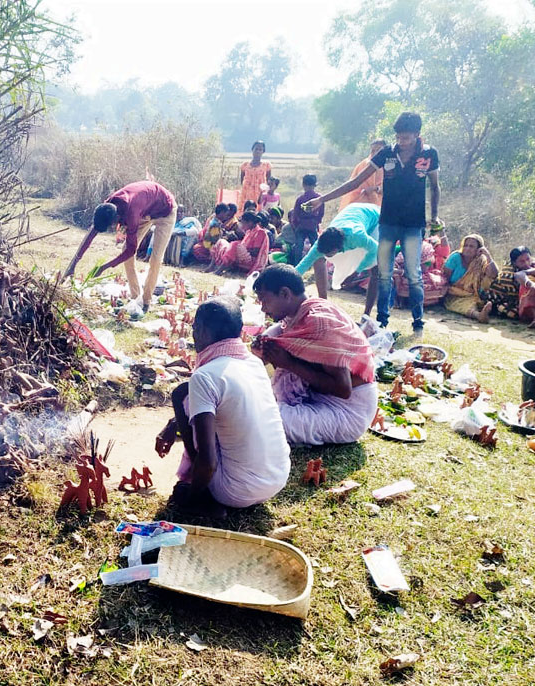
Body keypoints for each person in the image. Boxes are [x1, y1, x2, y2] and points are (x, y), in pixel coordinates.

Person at [304, 112, 441, 332]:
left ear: (417, 134)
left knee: (414, 274)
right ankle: (382, 320)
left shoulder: (429, 154)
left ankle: (418, 322)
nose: (401, 141)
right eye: (398, 136)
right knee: (383, 273)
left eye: (406, 137)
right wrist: (322, 199)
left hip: (414, 224)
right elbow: (356, 182)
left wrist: (433, 216)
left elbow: (434, 186)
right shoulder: (387, 154)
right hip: (387, 221)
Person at [154, 297, 290, 516]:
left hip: (235, 491)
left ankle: (205, 498)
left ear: (205, 332)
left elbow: (207, 462)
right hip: (277, 478)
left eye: (195, 327)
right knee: (182, 392)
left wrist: (191, 497)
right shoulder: (252, 362)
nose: (193, 333)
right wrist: (173, 424)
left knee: (184, 397)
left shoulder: (205, 376)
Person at [252, 266, 378, 446]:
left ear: (285, 293)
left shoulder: (320, 322)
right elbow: (280, 338)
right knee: (273, 335)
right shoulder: (298, 314)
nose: (263, 308)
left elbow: (343, 389)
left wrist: (288, 363)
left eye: (264, 300)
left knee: (260, 420)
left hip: (347, 411)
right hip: (318, 397)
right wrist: (268, 348)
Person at [62, 180, 177, 311]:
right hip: (146, 210)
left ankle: (146, 301)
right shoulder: (107, 207)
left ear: (117, 218)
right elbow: (90, 236)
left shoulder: (132, 213)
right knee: (125, 252)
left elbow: (131, 250)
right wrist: (72, 265)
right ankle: (135, 297)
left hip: (166, 211)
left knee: (155, 259)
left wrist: (103, 267)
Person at [294, 202, 380, 300]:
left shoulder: (357, 236)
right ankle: (323, 300)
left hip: (375, 218)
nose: (324, 254)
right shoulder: (321, 244)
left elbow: (376, 250)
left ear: (335, 249)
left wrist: (355, 273)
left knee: (375, 265)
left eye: (327, 253)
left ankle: (368, 312)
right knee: (317, 259)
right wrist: (285, 280)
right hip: (351, 212)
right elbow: (303, 265)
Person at [441, 234, 498, 323]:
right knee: (460, 304)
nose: (467, 248)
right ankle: (478, 315)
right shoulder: (455, 257)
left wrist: (488, 255)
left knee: (488, 279)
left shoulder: (481, 260)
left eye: (471, 246)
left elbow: (494, 274)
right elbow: (445, 276)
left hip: (474, 294)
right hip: (455, 293)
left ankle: (484, 309)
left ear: (479, 249)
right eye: (465, 245)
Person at [483, 246, 535, 320]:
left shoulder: (534, 264)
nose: (526, 263)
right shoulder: (507, 275)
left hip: (515, 298)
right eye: (521, 261)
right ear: (514, 263)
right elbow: (516, 296)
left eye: (528, 259)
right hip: (502, 299)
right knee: (517, 313)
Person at [339, 139, 386, 210]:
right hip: (360, 204)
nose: (375, 153)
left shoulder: (389, 165)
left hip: (380, 204)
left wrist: (377, 189)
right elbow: (367, 190)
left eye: (379, 151)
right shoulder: (367, 164)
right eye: (373, 151)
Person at [288, 174, 324, 265]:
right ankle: (318, 264)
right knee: (316, 247)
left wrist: (296, 225)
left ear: (303, 185)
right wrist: (317, 222)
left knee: (299, 247)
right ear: (314, 185)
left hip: (302, 225)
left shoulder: (300, 199)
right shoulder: (319, 198)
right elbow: (321, 213)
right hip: (313, 224)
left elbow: (295, 214)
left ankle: (297, 265)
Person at [238, 141, 273, 210]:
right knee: (245, 211)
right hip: (246, 193)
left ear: (263, 151)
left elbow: (269, 181)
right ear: (252, 149)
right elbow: (242, 179)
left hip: (260, 194)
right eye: (256, 149)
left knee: (258, 212)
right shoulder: (245, 165)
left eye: (260, 150)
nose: (258, 151)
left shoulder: (266, 165)